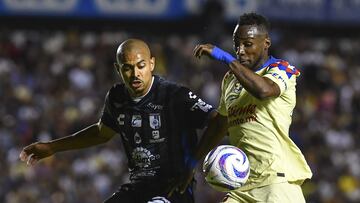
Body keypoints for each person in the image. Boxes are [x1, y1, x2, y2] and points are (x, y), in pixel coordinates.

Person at [19, 39, 215, 203]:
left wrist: (191, 164)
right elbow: (101, 133)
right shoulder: (116, 97)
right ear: (118, 69)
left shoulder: (174, 95)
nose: (135, 74)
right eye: (128, 68)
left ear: (152, 64)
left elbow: (217, 121)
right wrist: (53, 147)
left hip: (174, 189)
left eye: (141, 66)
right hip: (138, 188)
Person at [175, 13, 313, 203]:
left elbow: (264, 90)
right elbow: (220, 124)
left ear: (266, 43)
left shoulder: (282, 69)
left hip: (276, 183)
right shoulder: (231, 79)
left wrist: (225, 58)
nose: (240, 50)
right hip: (242, 186)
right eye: (236, 44)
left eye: (247, 44)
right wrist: (192, 162)